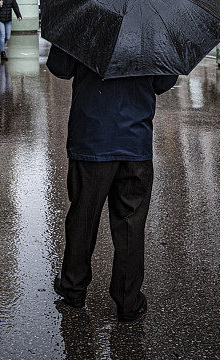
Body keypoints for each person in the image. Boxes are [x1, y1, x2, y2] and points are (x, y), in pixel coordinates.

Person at [47, 44, 178, 323]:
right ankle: (128, 302)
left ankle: (73, 288)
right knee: (130, 224)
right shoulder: (152, 31)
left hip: (91, 138)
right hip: (135, 142)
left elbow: (59, 67)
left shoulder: (87, 25)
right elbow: (165, 82)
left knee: (83, 217)